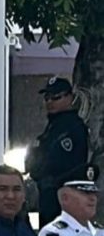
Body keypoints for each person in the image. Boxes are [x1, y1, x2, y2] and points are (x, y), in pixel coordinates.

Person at [25, 76, 88, 226]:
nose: (50, 102)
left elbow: (68, 164)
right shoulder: (53, 125)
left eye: (56, 97)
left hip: (63, 196)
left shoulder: (73, 127)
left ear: (70, 97)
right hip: (47, 193)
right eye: (47, 98)